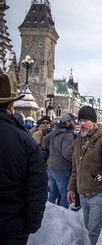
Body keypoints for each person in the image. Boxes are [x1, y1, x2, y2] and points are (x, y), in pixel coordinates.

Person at [0, 74, 48, 245]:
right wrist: (31, 224)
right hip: (11, 228)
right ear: (11, 106)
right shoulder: (25, 141)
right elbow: (37, 187)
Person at [67, 106, 102, 245]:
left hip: (99, 193)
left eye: (86, 120)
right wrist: (71, 188)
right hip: (83, 193)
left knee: (94, 231)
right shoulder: (77, 141)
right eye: (80, 120)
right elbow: (76, 169)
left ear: (94, 121)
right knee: (88, 228)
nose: (82, 124)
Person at [43, 112, 77, 208]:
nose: (75, 123)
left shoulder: (55, 131)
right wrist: (76, 162)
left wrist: (53, 151)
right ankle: (63, 218)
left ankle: (49, 214)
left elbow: (45, 140)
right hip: (62, 168)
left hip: (51, 166)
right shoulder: (68, 135)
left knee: (53, 193)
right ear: (67, 122)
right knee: (64, 195)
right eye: (73, 121)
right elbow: (67, 153)